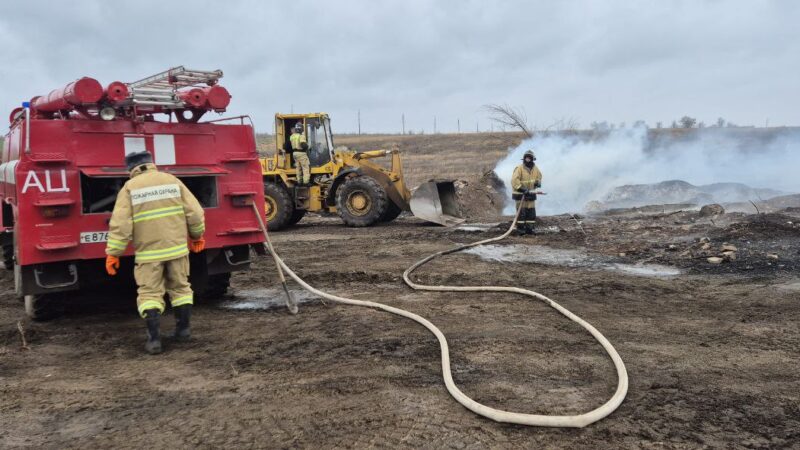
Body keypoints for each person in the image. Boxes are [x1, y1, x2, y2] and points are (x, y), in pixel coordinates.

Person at [105, 151, 206, 354]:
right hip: (177, 250)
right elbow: (194, 213)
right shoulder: (172, 180)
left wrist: (114, 253)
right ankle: (183, 331)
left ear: (131, 169)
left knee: (150, 294)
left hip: (148, 255)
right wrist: (197, 236)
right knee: (181, 289)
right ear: (152, 163)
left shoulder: (129, 188)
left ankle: (154, 341)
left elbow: (121, 224)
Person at [511, 149, 543, 235]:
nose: (527, 159)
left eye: (529, 158)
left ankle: (529, 229)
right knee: (521, 213)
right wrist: (522, 189)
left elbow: (539, 177)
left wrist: (538, 182)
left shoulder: (535, 169)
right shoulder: (519, 168)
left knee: (531, 213)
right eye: (526, 158)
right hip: (520, 195)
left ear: (532, 159)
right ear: (524, 158)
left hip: (530, 194)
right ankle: (521, 230)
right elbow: (514, 180)